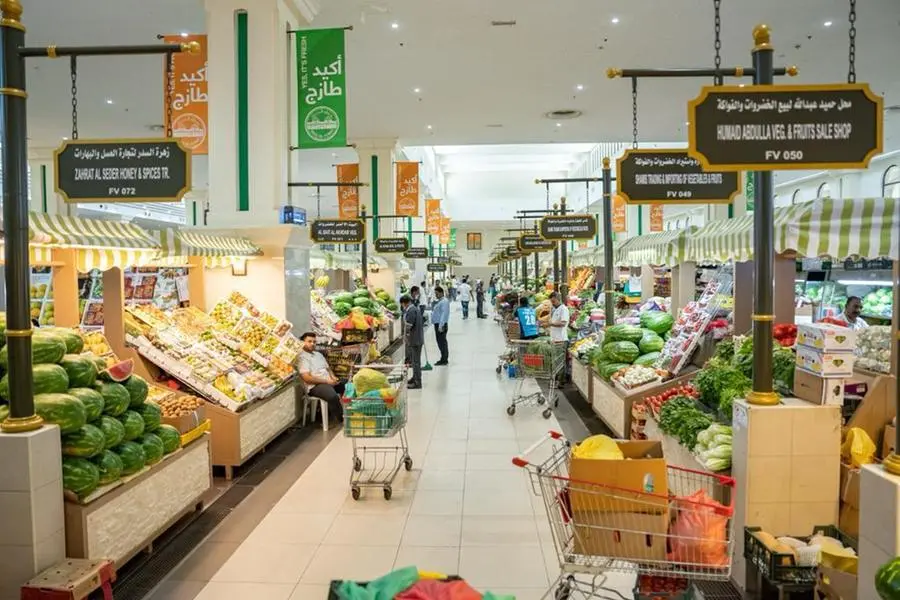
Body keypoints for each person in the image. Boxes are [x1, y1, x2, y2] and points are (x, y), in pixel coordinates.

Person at [298, 332, 345, 423]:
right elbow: (307, 378)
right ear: (302, 342)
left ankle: (351, 411)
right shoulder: (302, 357)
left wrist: (333, 377)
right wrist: (327, 381)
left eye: (314, 342)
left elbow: (328, 369)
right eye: (309, 341)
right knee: (332, 396)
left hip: (328, 381)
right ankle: (342, 418)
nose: (312, 344)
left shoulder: (318, 355)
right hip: (315, 386)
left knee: (347, 385)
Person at [401, 294, 424, 388]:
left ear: (404, 303)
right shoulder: (414, 309)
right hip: (417, 338)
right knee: (415, 361)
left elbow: (408, 326)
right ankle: (415, 378)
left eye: (402, 304)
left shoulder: (411, 311)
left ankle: (417, 382)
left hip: (415, 339)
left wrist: (405, 337)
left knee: (416, 362)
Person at [431, 285, 450, 365]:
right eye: (435, 293)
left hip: (440, 325)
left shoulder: (444, 301)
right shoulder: (440, 301)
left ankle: (444, 359)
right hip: (438, 324)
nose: (436, 295)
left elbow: (444, 314)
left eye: (437, 293)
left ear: (442, 293)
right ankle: (443, 358)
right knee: (440, 342)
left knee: (442, 342)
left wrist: (441, 325)